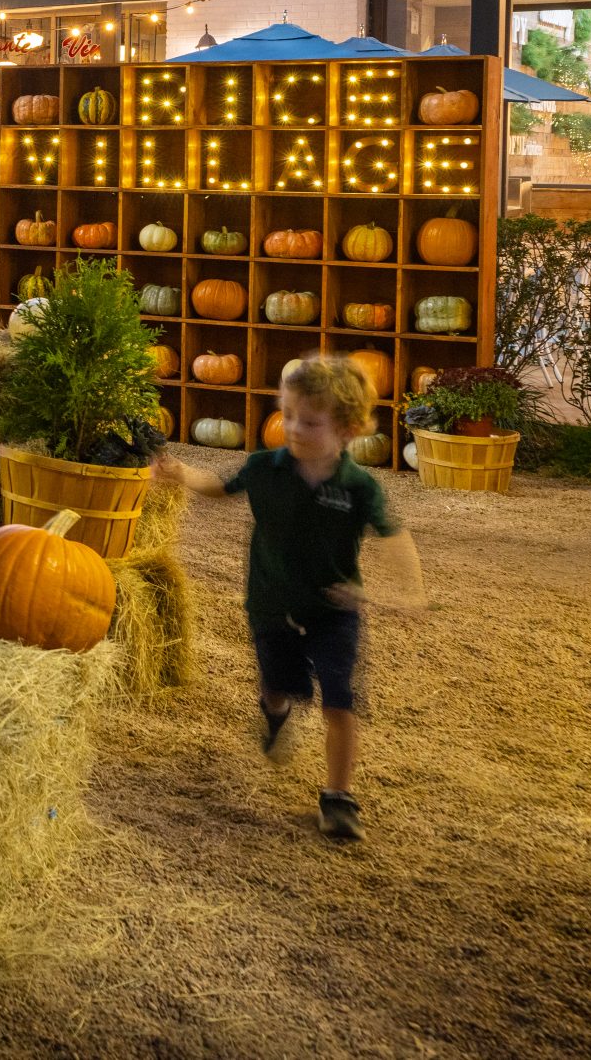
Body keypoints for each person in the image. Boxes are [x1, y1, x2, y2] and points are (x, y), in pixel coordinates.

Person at [154, 356, 424, 842]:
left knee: (340, 702)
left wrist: (405, 592)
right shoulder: (265, 467)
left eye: (310, 421)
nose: (294, 428)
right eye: (289, 415)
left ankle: (339, 798)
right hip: (271, 603)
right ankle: (274, 713)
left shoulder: (359, 487)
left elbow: (394, 536)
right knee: (278, 688)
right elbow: (221, 487)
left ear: (347, 429)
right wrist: (181, 473)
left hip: (334, 612)